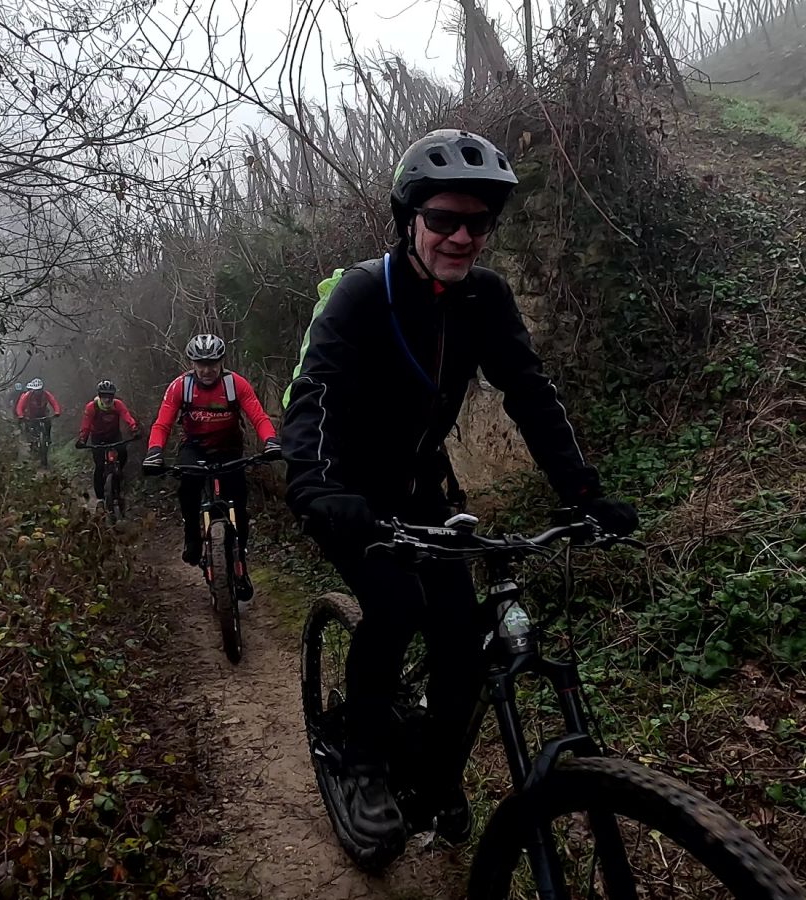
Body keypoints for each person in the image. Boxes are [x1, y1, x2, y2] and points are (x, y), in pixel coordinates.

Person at [279, 129, 639, 859]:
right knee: (395, 607)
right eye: (444, 218)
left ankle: (436, 773)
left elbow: (529, 393)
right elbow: (314, 394)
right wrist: (315, 486)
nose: (462, 236)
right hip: (346, 489)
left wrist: (582, 491)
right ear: (409, 218)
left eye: (479, 223)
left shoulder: (485, 297)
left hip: (420, 493)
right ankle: (363, 762)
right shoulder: (363, 293)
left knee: (462, 642)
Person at [142, 334, 280, 576]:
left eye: (212, 363)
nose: (207, 370)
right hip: (194, 447)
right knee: (188, 487)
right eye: (201, 364)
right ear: (192, 364)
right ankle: (192, 536)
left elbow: (259, 417)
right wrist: (154, 452)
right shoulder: (180, 387)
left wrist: (270, 441)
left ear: (221, 362)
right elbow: (162, 424)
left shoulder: (235, 385)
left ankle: (240, 560)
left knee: (239, 503)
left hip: (229, 448)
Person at [74, 380, 140, 514]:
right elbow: (86, 425)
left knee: (123, 453)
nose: (107, 399)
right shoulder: (92, 407)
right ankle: (100, 499)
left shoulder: (118, 404)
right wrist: (82, 439)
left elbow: (127, 417)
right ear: (99, 396)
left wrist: (134, 429)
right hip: (98, 438)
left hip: (114, 435)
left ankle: (119, 477)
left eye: (110, 396)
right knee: (99, 466)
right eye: (104, 396)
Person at [15, 378, 60, 443]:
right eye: (36, 390)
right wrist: (20, 415)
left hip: (43, 414)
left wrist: (57, 411)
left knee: (48, 424)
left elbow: (54, 402)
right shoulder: (27, 395)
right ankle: (30, 440)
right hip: (31, 415)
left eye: (40, 390)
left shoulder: (46, 394)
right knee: (30, 428)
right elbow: (20, 406)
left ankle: (48, 437)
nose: (38, 392)